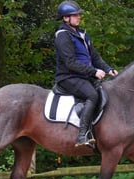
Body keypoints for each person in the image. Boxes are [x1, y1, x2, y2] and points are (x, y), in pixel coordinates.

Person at [54, 0, 118, 147]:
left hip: (83, 76)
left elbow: (94, 57)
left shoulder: (82, 34)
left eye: (78, 15)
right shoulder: (63, 35)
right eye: (75, 15)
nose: (79, 17)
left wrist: (108, 69)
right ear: (65, 18)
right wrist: (94, 71)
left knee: (105, 92)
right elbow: (70, 63)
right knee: (92, 95)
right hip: (68, 77)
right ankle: (82, 135)